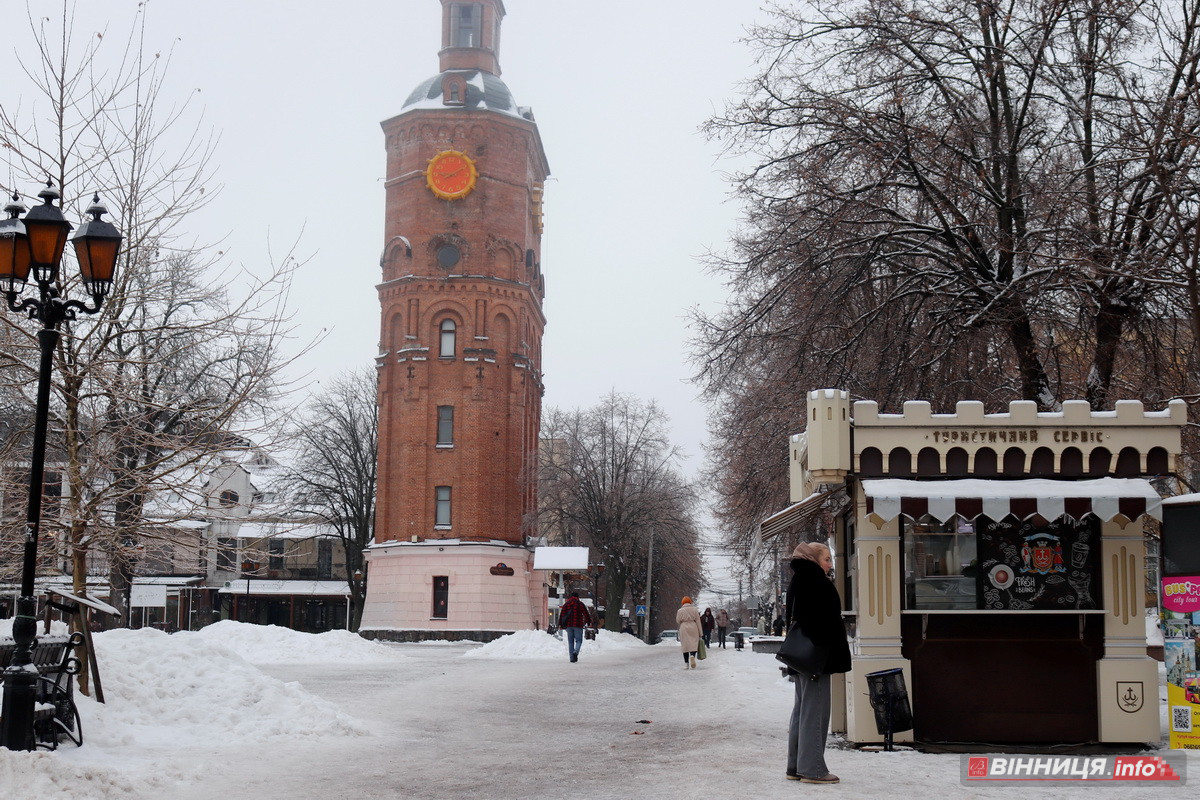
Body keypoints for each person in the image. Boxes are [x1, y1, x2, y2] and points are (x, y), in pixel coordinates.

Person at [784, 542, 851, 785]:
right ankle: (812, 769)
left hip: (801, 656)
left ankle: (796, 766)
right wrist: (828, 649)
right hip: (817, 659)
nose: (830, 565)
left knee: (802, 710)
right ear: (814, 559)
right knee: (816, 712)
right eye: (827, 560)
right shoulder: (816, 581)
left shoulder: (798, 580)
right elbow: (822, 622)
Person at [558, 592, 592, 663]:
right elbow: (586, 613)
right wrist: (589, 622)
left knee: (570, 642)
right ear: (577, 597)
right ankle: (575, 652)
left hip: (568, 626)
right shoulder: (580, 604)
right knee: (579, 640)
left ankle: (572, 658)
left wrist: (560, 624)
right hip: (578, 625)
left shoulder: (566, 604)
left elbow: (562, 615)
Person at [676, 596, 703, 669]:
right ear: (690, 602)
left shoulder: (680, 610)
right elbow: (698, 621)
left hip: (684, 627)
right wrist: (700, 633)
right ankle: (692, 656)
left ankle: (686, 664)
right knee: (693, 644)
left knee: (685, 646)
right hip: (693, 627)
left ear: (682, 603)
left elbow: (678, 621)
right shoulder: (695, 609)